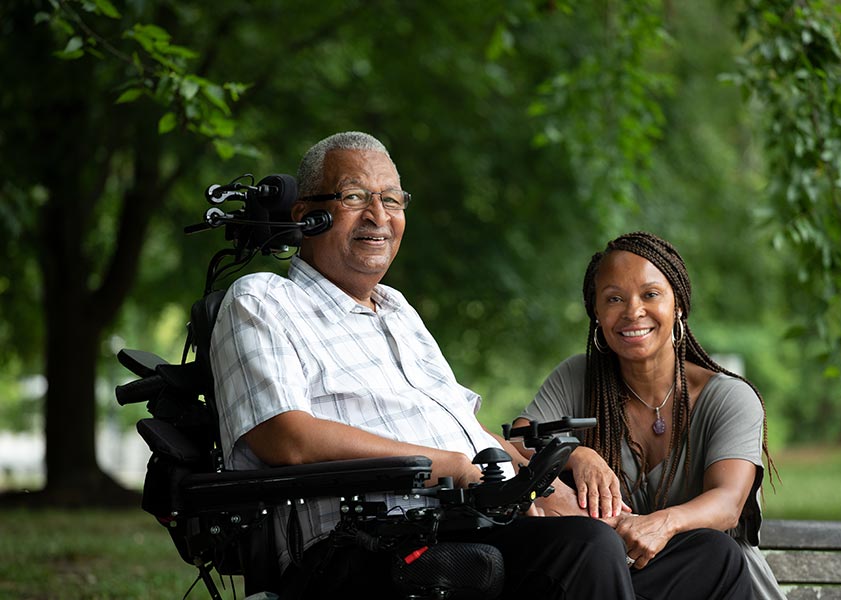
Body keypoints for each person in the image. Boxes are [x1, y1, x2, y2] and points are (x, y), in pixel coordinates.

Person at [210, 131, 751, 599]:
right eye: (356, 197)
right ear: (308, 214)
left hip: (469, 520)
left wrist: (542, 481)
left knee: (709, 556)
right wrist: (449, 464)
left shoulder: (397, 310)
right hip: (370, 544)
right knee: (585, 549)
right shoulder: (261, 300)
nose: (379, 217)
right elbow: (285, 437)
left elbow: (468, 431)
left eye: (393, 200)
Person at [514, 231, 784, 599]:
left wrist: (662, 524)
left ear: (678, 305)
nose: (632, 311)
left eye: (650, 294)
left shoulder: (728, 397)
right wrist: (578, 455)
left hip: (712, 581)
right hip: (625, 582)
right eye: (614, 298)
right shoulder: (579, 378)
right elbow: (518, 440)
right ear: (596, 311)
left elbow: (727, 504)